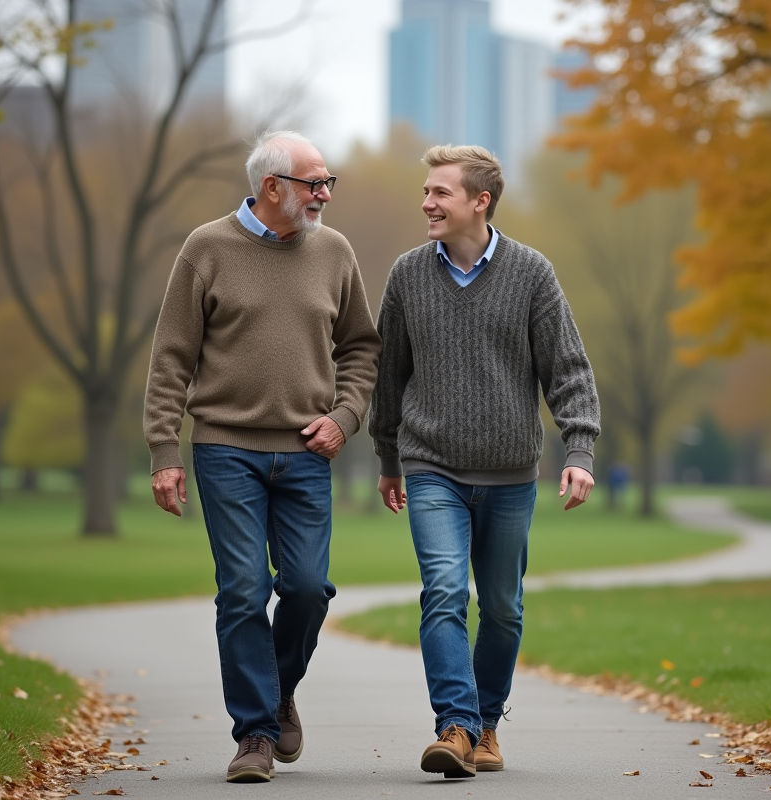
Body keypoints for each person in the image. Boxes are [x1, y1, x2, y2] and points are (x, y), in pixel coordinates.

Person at [143, 130, 381, 783]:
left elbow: (362, 347)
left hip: (308, 451)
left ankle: (278, 691)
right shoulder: (207, 249)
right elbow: (171, 360)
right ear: (272, 187)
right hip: (226, 447)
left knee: (306, 588)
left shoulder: (334, 252)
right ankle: (253, 735)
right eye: (315, 183)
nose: (326, 194)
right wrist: (165, 449)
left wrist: (346, 416)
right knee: (242, 590)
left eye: (329, 182)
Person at [369, 145, 601, 779]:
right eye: (425, 191)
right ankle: (455, 726)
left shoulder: (532, 273)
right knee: (443, 591)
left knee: (502, 607)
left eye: (440, 193)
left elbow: (569, 369)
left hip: (509, 477)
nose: (427, 202)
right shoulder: (407, 275)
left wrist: (579, 448)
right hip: (431, 466)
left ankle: (487, 725)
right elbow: (389, 377)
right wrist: (389, 457)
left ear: (480, 201)